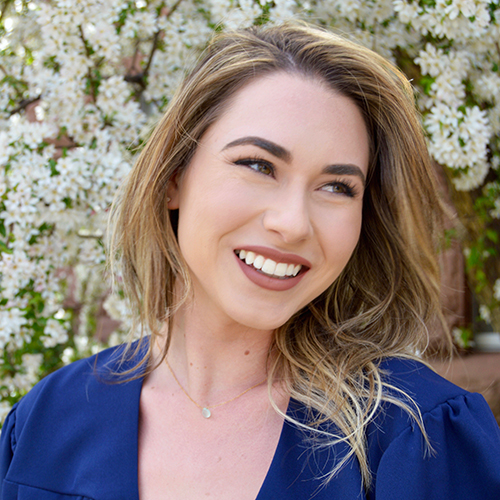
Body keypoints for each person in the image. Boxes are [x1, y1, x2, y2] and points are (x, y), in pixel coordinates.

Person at [1, 22, 500, 500]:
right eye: (259, 165)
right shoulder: (44, 424)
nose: (294, 223)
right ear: (174, 176)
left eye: (337, 187)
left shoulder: (419, 434)